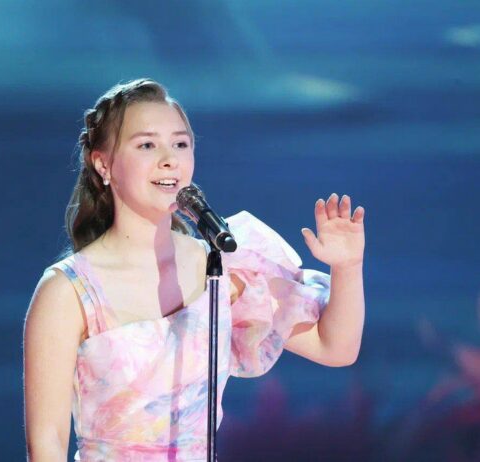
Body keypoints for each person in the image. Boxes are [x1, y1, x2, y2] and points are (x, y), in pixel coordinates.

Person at [23, 78, 366, 461]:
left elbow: (336, 347)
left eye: (181, 144)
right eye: (147, 145)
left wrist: (347, 267)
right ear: (103, 163)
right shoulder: (68, 291)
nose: (169, 159)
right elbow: (47, 442)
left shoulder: (221, 266)